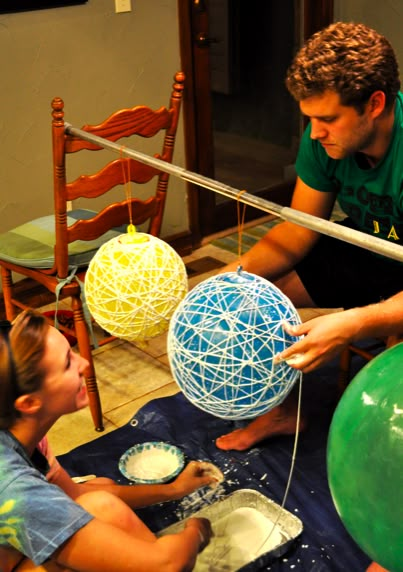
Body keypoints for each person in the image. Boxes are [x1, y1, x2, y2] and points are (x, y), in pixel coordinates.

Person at [215, 21, 403, 453]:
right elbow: (300, 229)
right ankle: (283, 411)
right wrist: (229, 277)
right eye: (310, 119)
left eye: (327, 119)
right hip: (374, 244)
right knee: (263, 297)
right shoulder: (322, 140)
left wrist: (354, 323)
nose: (315, 133)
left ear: (374, 104)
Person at [0, 310, 214, 572]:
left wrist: (175, 489)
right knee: (104, 508)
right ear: (29, 402)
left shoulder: (21, 429)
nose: (84, 365)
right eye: (68, 363)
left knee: (101, 490)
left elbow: (76, 494)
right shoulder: (14, 489)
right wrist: (197, 530)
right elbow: (168, 564)